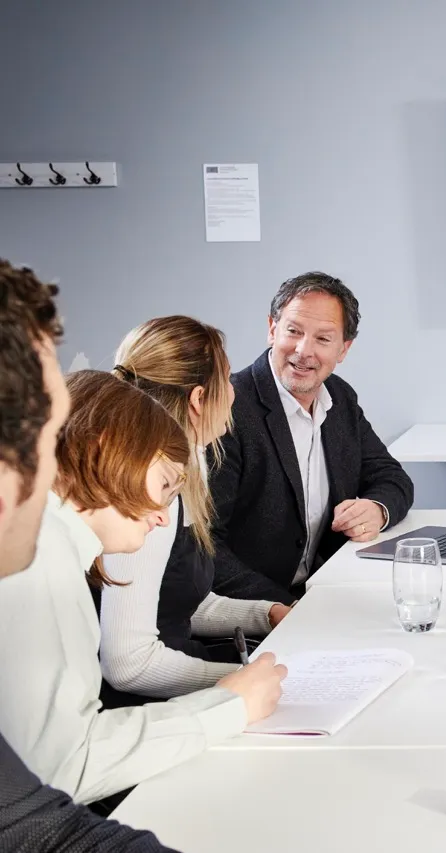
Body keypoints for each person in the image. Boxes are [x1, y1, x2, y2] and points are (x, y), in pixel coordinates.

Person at [0, 370, 287, 806]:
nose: (161, 516)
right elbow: (64, 768)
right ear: (106, 450)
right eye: (162, 487)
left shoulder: (51, 543)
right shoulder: (42, 556)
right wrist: (227, 705)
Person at [0, 260, 178, 851]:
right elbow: (50, 799)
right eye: (45, 437)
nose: (54, 469)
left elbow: (27, 813)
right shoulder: (42, 561)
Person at [98, 317, 291, 702]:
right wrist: (241, 679)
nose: (235, 395)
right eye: (228, 382)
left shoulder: (184, 468)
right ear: (198, 400)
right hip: (139, 710)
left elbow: (177, 599)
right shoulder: (148, 497)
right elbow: (128, 665)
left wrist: (266, 614)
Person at [209, 272, 413, 602]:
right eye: (293, 331)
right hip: (255, 608)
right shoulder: (228, 408)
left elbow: (392, 477)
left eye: (323, 339)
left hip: (324, 588)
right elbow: (205, 546)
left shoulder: (340, 399)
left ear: (344, 349)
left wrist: (377, 509)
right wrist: (285, 608)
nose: (304, 351)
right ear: (272, 329)